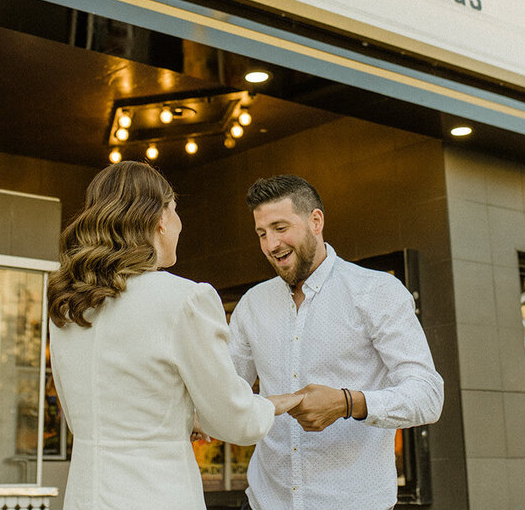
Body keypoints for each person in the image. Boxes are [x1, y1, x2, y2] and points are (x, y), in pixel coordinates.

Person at [47, 161, 299, 510]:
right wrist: (278, 403)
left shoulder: (67, 304)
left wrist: (180, 416)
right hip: (157, 495)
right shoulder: (185, 299)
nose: (179, 224)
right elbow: (233, 420)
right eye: (175, 211)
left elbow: (89, 414)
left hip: (84, 497)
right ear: (160, 219)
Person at [229, 174, 444, 510]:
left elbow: (428, 396)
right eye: (262, 233)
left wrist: (348, 403)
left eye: (281, 228)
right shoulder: (252, 304)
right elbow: (229, 391)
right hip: (265, 502)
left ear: (316, 221)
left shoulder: (377, 292)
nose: (271, 244)